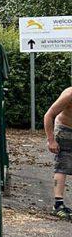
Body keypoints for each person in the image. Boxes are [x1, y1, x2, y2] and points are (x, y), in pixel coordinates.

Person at [43, 87, 72, 218]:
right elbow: (48, 115)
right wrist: (51, 140)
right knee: (63, 165)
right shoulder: (69, 94)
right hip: (65, 129)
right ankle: (58, 204)